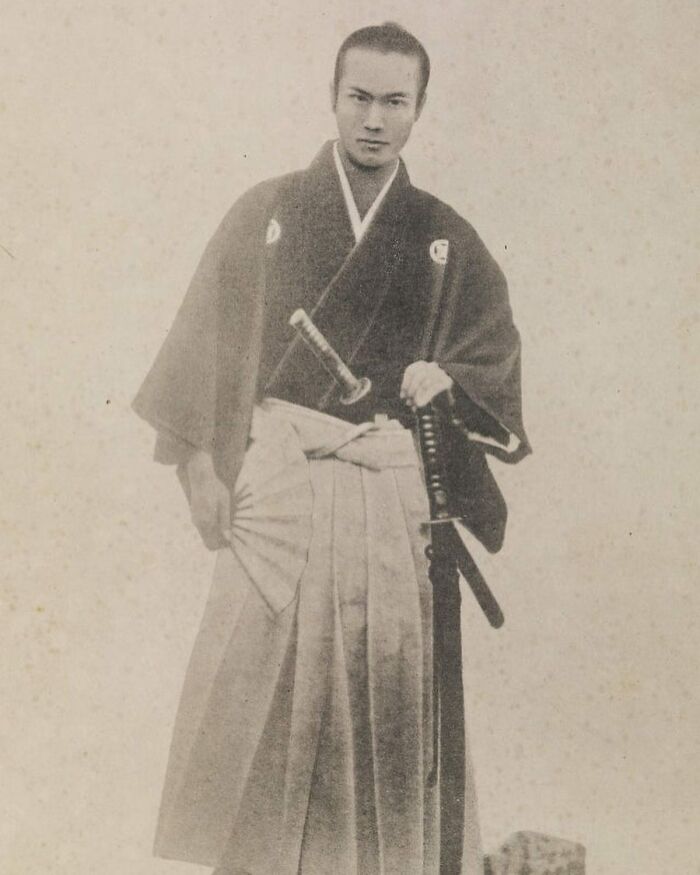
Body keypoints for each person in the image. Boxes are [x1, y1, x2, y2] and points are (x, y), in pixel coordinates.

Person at [133, 22, 530, 875]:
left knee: (387, 689)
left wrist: (445, 379)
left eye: (395, 102)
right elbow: (200, 347)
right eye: (360, 97)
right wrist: (200, 470)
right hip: (278, 492)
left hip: (388, 500)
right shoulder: (266, 213)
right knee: (257, 693)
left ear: (420, 110)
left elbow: (488, 366)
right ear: (333, 97)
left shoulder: (443, 236)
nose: (375, 119)